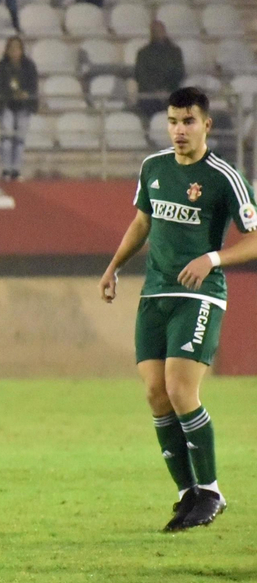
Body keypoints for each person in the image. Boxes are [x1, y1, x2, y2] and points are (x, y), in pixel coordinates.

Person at [99, 85, 257, 532]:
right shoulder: (153, 167)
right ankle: (187, 493)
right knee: (155, 393)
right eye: (172, 121)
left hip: (199, 295)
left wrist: (213, 258)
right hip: (155, 294)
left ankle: (212, 491)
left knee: (181, 389)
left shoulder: (224, 177)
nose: (179, 130)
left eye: (188, 121)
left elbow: (255, 238)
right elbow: (142, 222)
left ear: (206, 125)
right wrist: (113, 267)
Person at [0, 36, 38, 181]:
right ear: (7, 50)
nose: (14, 51)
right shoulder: (1, 66)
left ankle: (16, 170)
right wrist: (11, 94)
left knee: (19, 138)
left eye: (17, 48)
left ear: (22, 50)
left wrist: (26, 94)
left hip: (23, 106)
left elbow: (33, 85)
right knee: (6, 137)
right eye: (11, 48)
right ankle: (6, 169)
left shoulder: (29, 66)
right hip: (6, 104)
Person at [134, 19, 185, 119]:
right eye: (155, 31)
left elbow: (179, 73)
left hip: (171, 92)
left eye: (160, 30)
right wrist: (156, 92)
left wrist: (166, 90)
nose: (158, 33)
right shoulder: (143, 53)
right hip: (149, 96)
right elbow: (141, 76)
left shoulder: (175, 52)